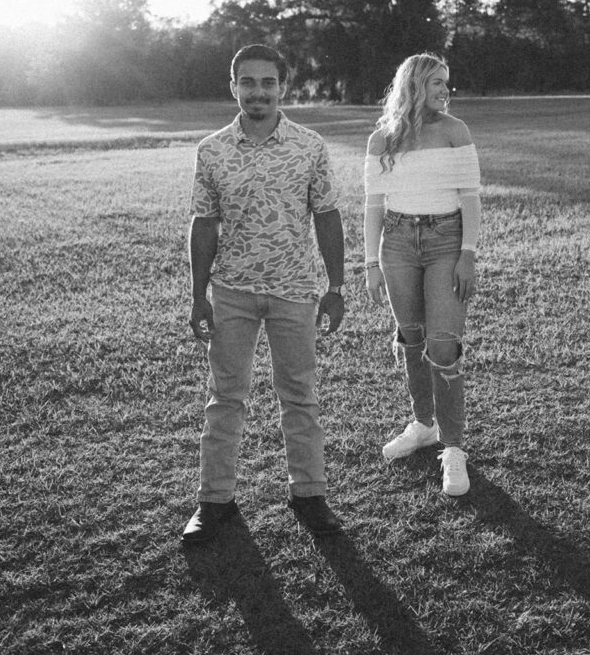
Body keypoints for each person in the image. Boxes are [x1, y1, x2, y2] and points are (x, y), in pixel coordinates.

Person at [183, 44, 346, 543]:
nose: (258, 92)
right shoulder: (211, 150)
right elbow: (204, 223)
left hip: (295, 291)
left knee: (299, 396)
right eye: (248, 82)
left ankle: (309, 494)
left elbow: (327, 216)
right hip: (230, 292)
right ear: (233, 87)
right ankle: (214, 503)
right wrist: (198, 295)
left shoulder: (309, 146)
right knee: (224, 398)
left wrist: (335, 287)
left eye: (268, 82)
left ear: (282, 87)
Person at [363, 53, 481, 496]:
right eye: (435, 83)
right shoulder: (382, 140)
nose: (444, 90)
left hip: (446, 240)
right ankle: (423, 425)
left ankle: (453, 448)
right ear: (413, 85)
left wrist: (467, 254)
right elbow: (374, 205)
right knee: (411, 336)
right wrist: (371, 263)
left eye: (447, 82)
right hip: (396, 241)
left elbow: (470, 198)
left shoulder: (455, 131)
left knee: (442, 344)